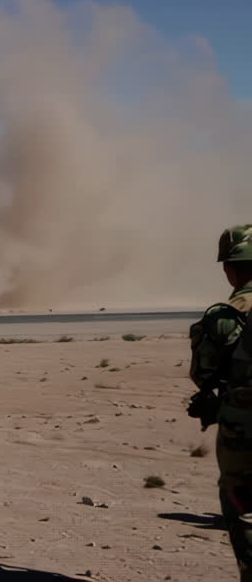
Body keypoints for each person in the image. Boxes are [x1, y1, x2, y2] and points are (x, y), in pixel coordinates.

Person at [190, 225, 252, 581]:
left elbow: (204, 374)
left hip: (244, 428)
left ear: (229, 267)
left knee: (244, 504)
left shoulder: (224, 316)